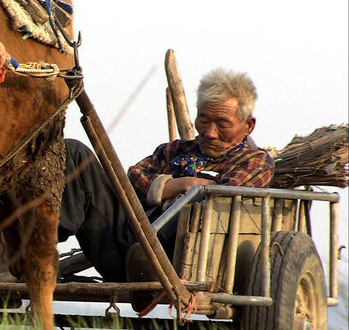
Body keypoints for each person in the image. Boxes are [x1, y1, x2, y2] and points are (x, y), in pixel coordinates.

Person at [58, 68, 275, 282]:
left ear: (248, 126)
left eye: (222, 124)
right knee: (75, 151)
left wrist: (197, 189)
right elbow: (134, 176)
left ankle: (148, 260)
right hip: (126, 244)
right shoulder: (174, 150)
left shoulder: (255, 161)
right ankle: (45, 242)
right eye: (204, 120)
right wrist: (181, 184)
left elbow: (225, 194)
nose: (209, 132)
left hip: (180, 262)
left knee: (203, 196)